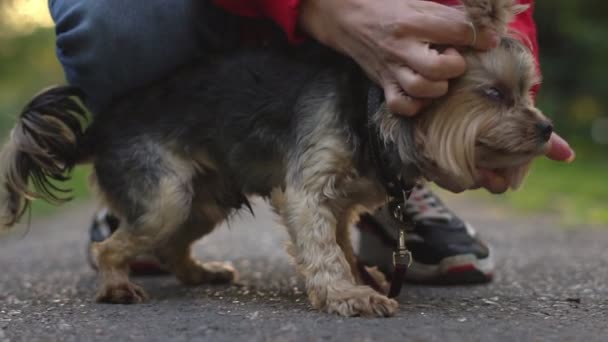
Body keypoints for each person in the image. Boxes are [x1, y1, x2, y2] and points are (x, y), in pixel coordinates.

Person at [49, 0, 543, 283]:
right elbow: (305, 195)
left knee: (330, 172)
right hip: (191, 44)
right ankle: (143, 201)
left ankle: (397, 180)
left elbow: (496, 14)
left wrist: (489, 35)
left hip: (333, 72)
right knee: (118, 19)